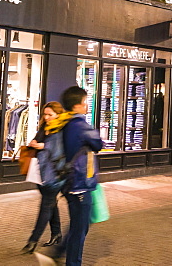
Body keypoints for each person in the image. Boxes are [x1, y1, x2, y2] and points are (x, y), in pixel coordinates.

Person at [39, 86, 104, 266]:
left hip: (66, 182)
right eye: (84, 102)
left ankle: (55, 254)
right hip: (80, 184)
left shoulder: (62, 123)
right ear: (77, 105)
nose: (86, 105)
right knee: (79, 230)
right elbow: (98, 144)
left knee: (78, 225)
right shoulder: (80, 125)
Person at [21, 101, 65, 254]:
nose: (46, 117)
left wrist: (44, 146)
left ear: (58, 115)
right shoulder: (44, 127)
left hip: (54, 175)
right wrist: (34, 143)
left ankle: (33, 240)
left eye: (50, 115)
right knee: (51, 203)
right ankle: (56, 233)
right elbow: (37, 141)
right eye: (45, 114)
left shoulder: (61, 130)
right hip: (40, 171)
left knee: (45, 206)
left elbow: (60, 151)